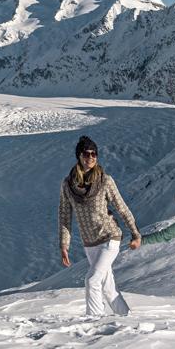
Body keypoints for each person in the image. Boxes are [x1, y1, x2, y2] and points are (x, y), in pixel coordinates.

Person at [59, 135, 141, 317]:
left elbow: (121, 207)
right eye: (86, 154)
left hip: (109, 237)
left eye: (94, 154)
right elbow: (65, 216)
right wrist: (64, 245)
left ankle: (95, 321)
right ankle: (127, 318)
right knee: (107, 287)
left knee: (92, 281)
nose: (90, 157)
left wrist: (135, 234)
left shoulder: (105, 180)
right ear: (79, 156)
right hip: (90, 243)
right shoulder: (67, 185)